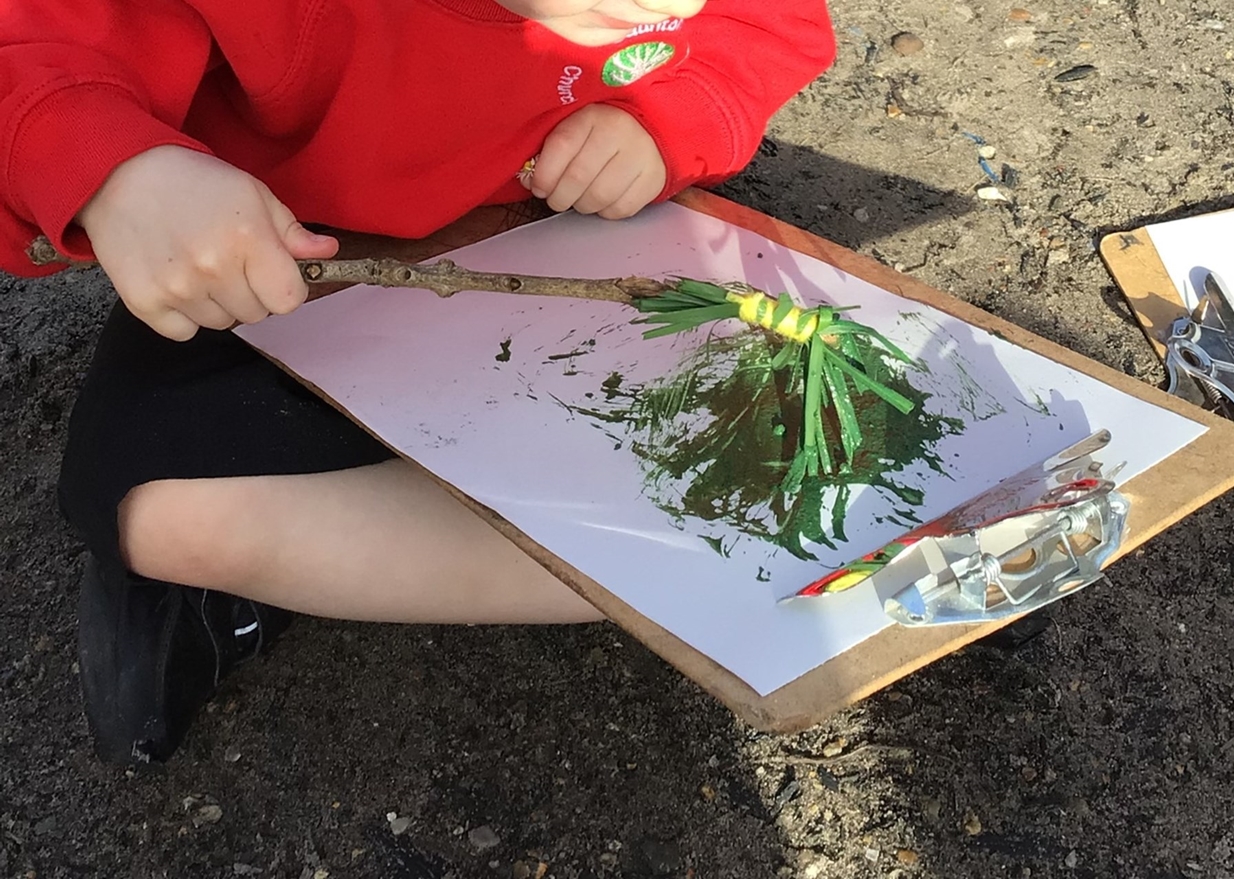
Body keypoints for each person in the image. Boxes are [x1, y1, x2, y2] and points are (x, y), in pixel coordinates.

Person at [0, 0, 836, 764]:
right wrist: (120, 172)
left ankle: (704, 562)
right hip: (300, 266)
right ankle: (687, 561)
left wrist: (671, 117)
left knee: (788, 414)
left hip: (587, 261)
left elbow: (771, 30)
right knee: (151, 507)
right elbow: (37, 50)